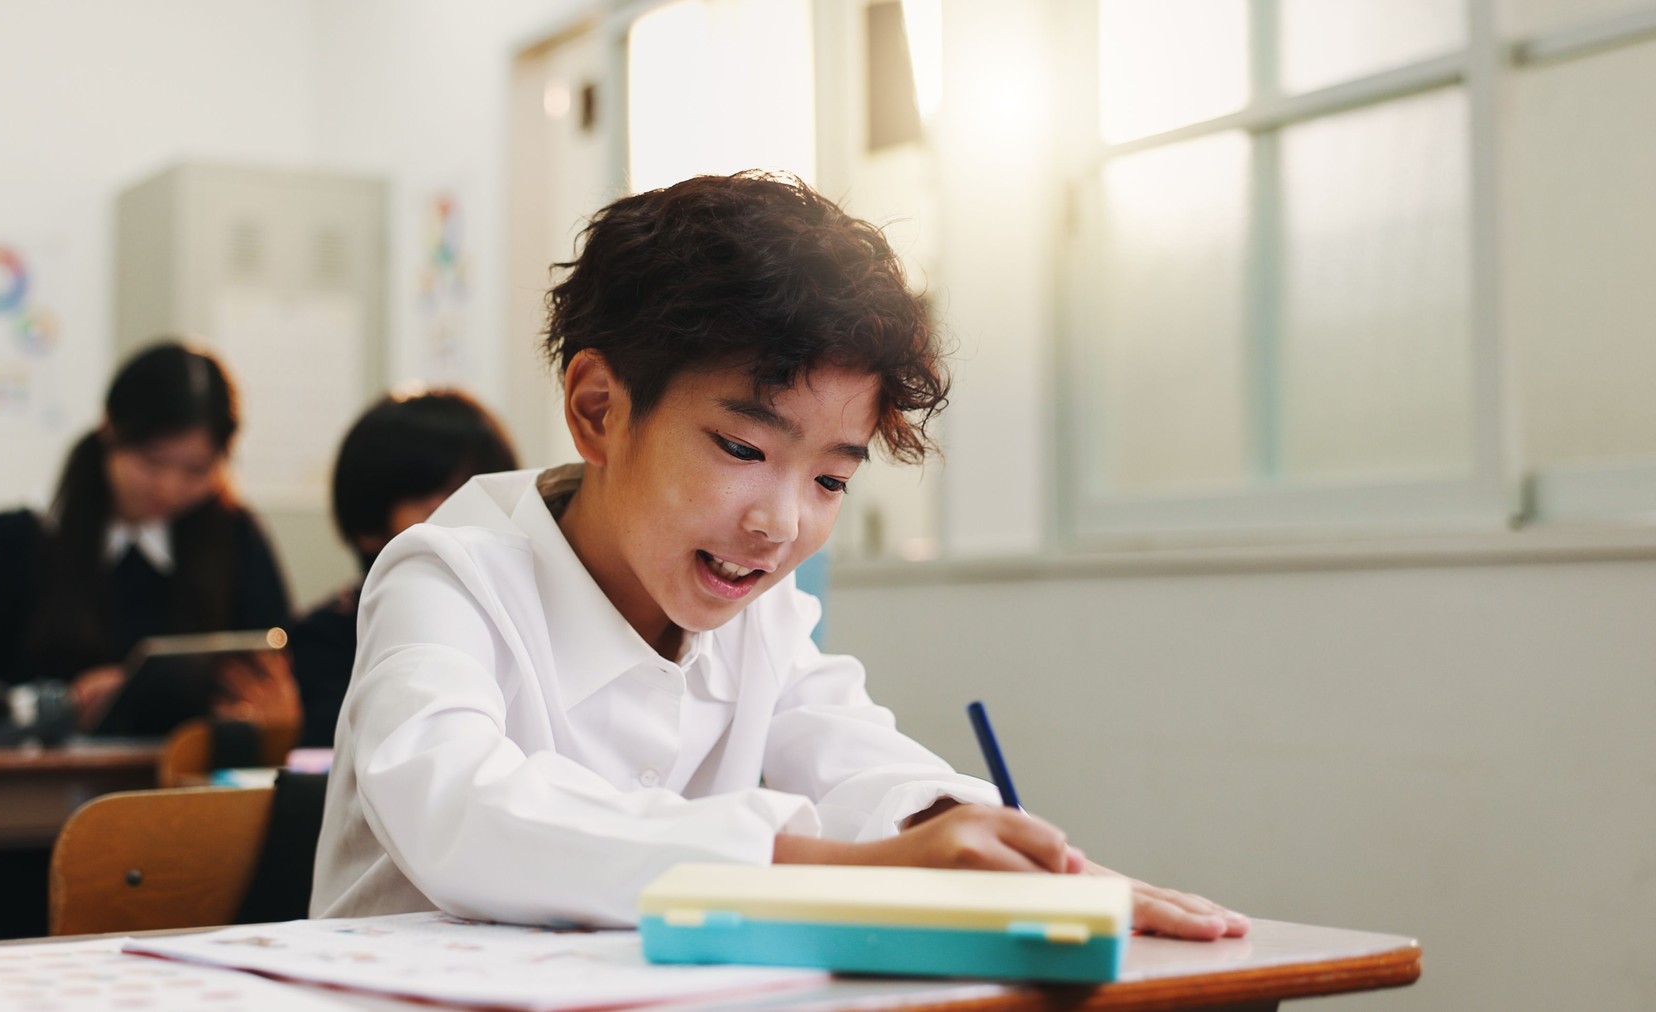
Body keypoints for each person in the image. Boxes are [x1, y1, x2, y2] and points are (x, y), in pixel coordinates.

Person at [312, 172, 1247, 940]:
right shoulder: (448, 574)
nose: (780, 524)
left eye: (831, 481)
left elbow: (852, 754)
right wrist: (857, 873)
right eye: (743, 450)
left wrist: (976, 845)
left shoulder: (758, 608)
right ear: (599, 410)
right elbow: (459, 808)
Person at [0, 340, 295, 939]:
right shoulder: (24, 541)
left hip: (184, 830)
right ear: (110, 432)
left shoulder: (235, 540)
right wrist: (57, 701)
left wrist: (266, 705)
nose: (169, 486)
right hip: (24, 838)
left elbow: (274, 663)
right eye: (151, 461)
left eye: (196, 470)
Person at [287, 389, 518, 748]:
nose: (460, 520)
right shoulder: (326, 640)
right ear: (369, 523)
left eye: (472, 498)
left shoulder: (519, 622)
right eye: (432, 504)